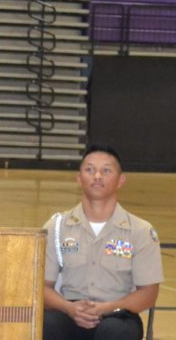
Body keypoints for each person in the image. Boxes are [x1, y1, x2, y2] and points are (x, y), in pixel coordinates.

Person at [42, 144, 163, 340]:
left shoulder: (140, 231)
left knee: (116, 332)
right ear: (79, 178)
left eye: (106, 170)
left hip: (118, 314)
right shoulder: (57, 226)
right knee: (46, 326)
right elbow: (43, 287)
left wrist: (107, 308)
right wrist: (68, 307)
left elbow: (148, 293)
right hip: (69, 311)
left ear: (121, 180)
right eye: (89, 169)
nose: (97, 176)